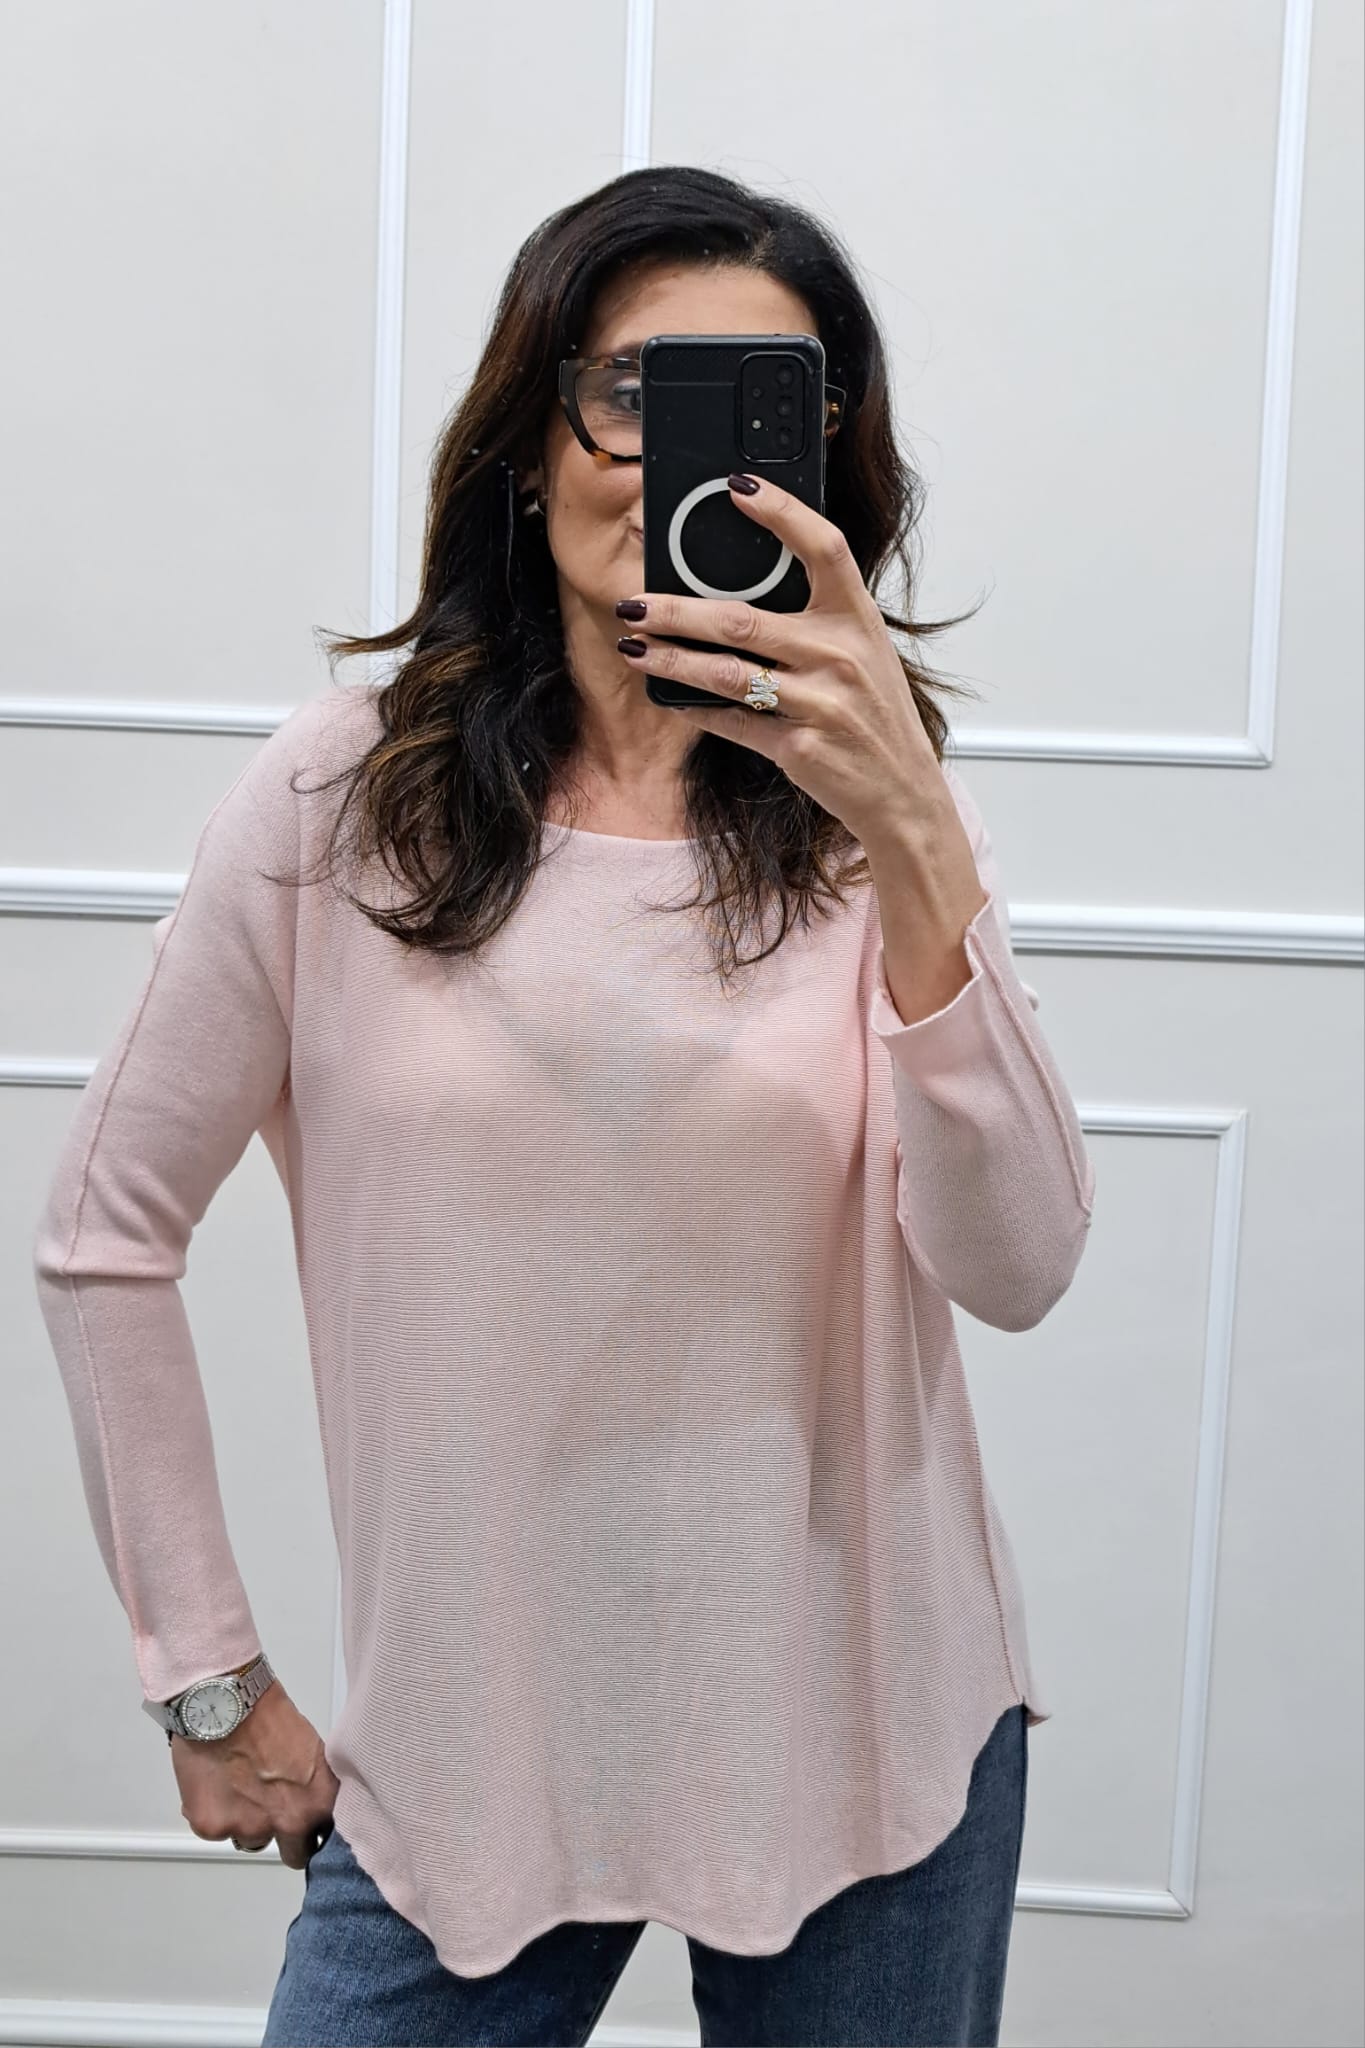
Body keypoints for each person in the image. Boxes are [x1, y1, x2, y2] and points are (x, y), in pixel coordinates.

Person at [32, 165, 1095, 2047]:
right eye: (635, 394)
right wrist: (204, 1675)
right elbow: (102, 1237)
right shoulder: (335, 802)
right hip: (466, 1763)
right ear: (530, 442)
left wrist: (913, 834)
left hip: (871, 1746)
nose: (695, 466)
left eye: (769, 413)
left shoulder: (878, 818)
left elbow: (1016, 1270)